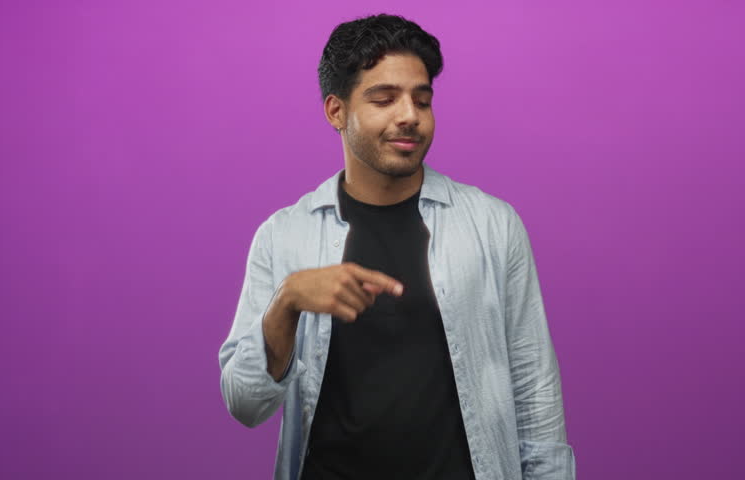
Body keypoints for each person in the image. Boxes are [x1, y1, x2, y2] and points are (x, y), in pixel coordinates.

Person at [218, 13, 576, 480]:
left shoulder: (492, 225)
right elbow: (244, 403)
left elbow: (535, 395)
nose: (409, 115)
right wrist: (286, 304)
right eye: (385, 99)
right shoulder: (284, 236)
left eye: (422, 100)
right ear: (336, 111)